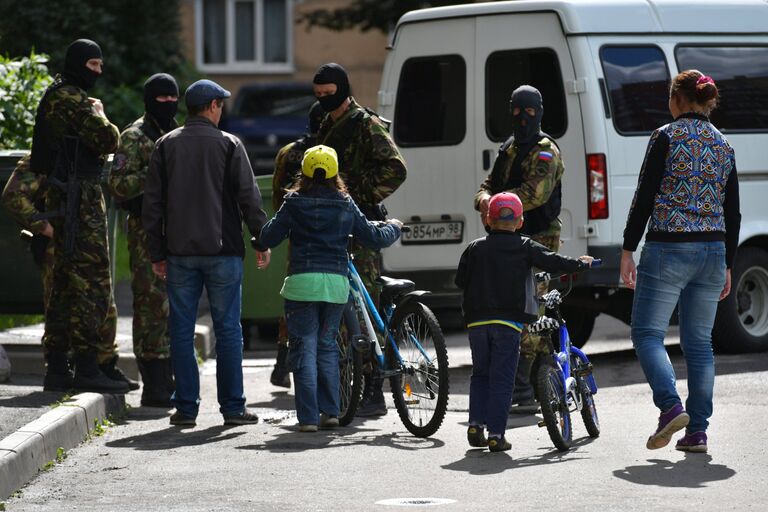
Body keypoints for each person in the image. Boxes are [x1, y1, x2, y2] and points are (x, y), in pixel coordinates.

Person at [621, 70, 740, 454]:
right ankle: (698, 431)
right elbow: (733, 212)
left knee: (647, 334)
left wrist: (627, 247)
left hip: (668, 248)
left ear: (678, 100)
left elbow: (644, 195)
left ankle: (670, 406)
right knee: (700, 344)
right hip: (712, 251)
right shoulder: (724, 145)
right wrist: (728, 263)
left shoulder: (665, 136)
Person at [142, 79, 271, 427]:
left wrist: (156, 252)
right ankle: (232, 408)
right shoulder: (230, 145)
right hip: (223, 252)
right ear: (213, 105)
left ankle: (185, 408)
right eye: (222, 103)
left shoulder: (165, 146)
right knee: (229, 330)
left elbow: (152, 205)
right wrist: (261, 239)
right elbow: (249, 198)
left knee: (181, 331)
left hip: (179, 252)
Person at [260, 145, 402, 431]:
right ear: (336, 172)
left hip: (302, 285)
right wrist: (395, 227)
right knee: (327, 346)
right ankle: (331, 412)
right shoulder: (345, 203)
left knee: (304, 347)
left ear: (306, 172)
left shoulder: (293, 202)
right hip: (336, 285)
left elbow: (268, 236)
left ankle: (308, 419)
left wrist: (258, 240)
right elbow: (374, 236)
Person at [28, 38, 129, 393]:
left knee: (65, 285)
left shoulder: (57, 95)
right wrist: (100, 112)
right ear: (78, 64)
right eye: (93, 65)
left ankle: (58, 367)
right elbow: (108, 139)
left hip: (64, 195)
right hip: (77, 199)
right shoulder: (71, 98)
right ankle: (87, 365)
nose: (99, 72)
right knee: (92, 282)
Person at [456, 192, 594, 452]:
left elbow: (460, 281)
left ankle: (475, 425)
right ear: (520, 222)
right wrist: (581, 264)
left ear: (488, 219)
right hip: (508, 324)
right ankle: (496, 434)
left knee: (481, 374)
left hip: (476, 324)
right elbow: (554, 262)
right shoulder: (525, 246)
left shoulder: (474, 248)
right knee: (502, 378)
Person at [313, 62, 407, 417]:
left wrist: (359, 194)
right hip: (334, 226)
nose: (323, 100)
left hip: (362, 224)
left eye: (329, 94)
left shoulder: (365, 125)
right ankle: (346, 385)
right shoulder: (327, 124)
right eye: (318, 95)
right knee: (337, 307)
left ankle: (374, 387)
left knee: (363, 307)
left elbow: (396, 168)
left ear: (343, 88)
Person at [473, 85, 564, 412]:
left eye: (528, 111)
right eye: (516, 111)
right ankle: (532, 386)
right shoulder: (509, 148)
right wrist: (484, 200)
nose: (522, 118)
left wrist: (495, 205)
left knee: (531, 310)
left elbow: (535, 193)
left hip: (539, 238)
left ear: (539, 111)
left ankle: (526, 389)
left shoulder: (545, 151)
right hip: (507, 240)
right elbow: (488, 185)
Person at [2, 155, 122, 391]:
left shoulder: (84, 161)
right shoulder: (48, 158)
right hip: (57, 251)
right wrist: (46, 228)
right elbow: (12, 195)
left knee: (99, 303)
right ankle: (61, 369)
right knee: (61, 308)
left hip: (85, 248)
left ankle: (98, 366)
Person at [108, 73, 180, 407]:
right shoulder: (134, 136)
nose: (168, 104)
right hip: (145, 233)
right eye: (161, 99)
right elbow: (118, 186)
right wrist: (155, 173)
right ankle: (153, 382)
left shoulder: (179, 133)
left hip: (181, 231)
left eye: (172, 98)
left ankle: (171, 376)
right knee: (151, 303)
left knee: (176, 305)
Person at [269, 101, 326, 388]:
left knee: (296, 295)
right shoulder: (332, 154)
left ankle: (282, 363)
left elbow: (278, 196)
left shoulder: (289, 153)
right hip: (332, 237)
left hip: (298, 237)